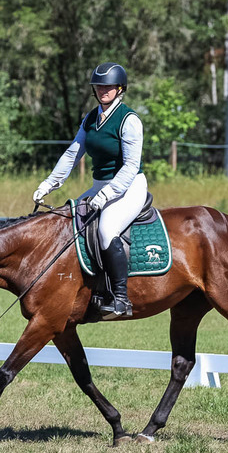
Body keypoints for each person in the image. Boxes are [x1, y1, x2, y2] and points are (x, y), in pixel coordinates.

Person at [32, 62, 147, 319]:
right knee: (69, 221)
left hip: (128, 186)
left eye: (108, 86)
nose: (103, 90)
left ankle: (120, 299)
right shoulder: (91, 118)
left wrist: (107, 195)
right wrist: (49, 183)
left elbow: (130, 166)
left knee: (106, 230)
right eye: (99, 85)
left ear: (119, 88)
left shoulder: (129, 121)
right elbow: (73, 152)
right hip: (99, 186)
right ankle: (89, 287)